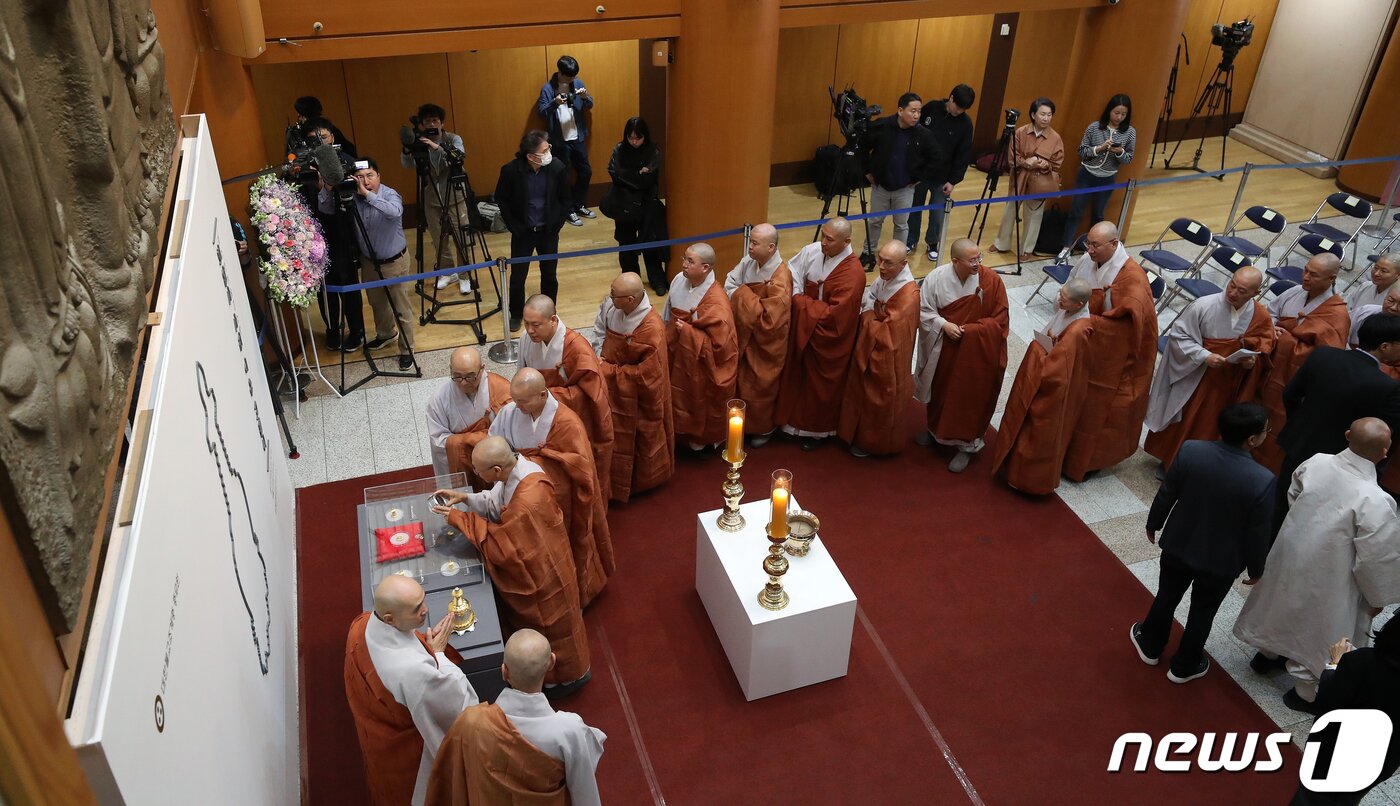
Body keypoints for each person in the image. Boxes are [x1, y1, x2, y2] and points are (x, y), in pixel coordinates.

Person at [1234, 418, 1400, 712]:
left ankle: (1266, 655)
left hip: (1294, 551)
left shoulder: (1317, 462)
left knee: (1280, 601)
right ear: (1385, 452)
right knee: (1320, 627)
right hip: (1334, 573)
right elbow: (1376, 557)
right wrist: (1377, 597)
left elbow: (1293, 496)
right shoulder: (1376, 500)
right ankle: (1304, 692)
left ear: (1347, 435)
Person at [432, 437, 592, 696]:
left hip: (541, 574)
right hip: (545, 560)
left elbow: (507, 548)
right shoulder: (518, 469)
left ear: (496, 470)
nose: (476, 473)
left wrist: (461, 519)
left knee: (550, 629)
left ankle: (561, 679)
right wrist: (463, 497)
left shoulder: (529, 496)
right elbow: (497, 502)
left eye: (477, 470)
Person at [1129, 403, 1275, 684]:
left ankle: (1149, 644)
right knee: (1203, 612)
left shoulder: (1192, 450)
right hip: (1221, 562)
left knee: (1167, 596)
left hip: (1179, 544)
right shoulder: (1264, 480)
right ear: (1253, 439)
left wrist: (1153, 523)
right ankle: (1185, 665)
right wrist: (1257, 568)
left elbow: (1167, 492)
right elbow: (1258, 533)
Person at [426, 630, 606, 806]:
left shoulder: (472, 722)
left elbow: (451, 778)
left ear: (504, 671)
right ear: (551, 662)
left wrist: (440, 657)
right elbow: (584, 790)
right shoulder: (569, 730)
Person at [344, 574, 479, 806]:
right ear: (390, 619)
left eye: (423, 601)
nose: (426, 610)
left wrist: (425, 644)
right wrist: (437, 654)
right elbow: (457, 706)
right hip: (408, 756)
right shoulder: (411, 670)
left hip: (377, 731)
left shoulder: (361, 624)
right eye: (417, 609)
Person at [489, 369, 613, 607]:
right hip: (520, 492)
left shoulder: (567, 423)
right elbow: (495, 442)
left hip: (559, 495)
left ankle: (573, 593)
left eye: (523, 401)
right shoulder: (509, 412)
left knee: (562, 545)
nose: (518, 406)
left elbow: (580, 465)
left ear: (543, 395)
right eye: (515, 400)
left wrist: (533, 463)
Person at [1270, 314, 1400, 534]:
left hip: (1299, 445)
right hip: (1339, 464)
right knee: (1312, 524)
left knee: (1281, 508)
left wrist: (1300, 423)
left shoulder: (1323, 355)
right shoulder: (1387, 387)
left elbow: (1290, 394)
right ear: (1385, 346)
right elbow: (1386, 433)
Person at [1143, 267, 1274, 470]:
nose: (1232, 293)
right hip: (1197, 375)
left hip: (1229, 381)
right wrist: (1205, 355)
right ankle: (1171, 461)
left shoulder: (1260, 315)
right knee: (1187, 418)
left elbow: (1263, 344)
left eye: (1242, 291)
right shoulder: (1203, 306)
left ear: (1256, 293)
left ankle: (1199, 466)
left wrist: (1251, 362)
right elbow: (1179, 337)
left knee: (1213, 424)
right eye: (1232, 285)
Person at [1062, 221, 1159, 480]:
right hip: (1086, 342)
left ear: (1114, 244)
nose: (1089, 249)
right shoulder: (1086, 260)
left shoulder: (1133, 279)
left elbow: (1132, 328)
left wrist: (1087, 322)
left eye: (1095, 245)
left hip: (1114, 357)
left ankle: (1086, 462)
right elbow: (1071, 287)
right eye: (1087, 243)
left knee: (1100, 412)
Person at [913, 238, 1010, 472]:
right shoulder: (936, 279)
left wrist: (975, 331)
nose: (978, 263)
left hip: (977, 352)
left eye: (979, 258)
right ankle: (935, 430)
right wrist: (943, 324)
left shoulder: (991, 281)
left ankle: (967, 446)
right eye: (972, 260)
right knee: (941, 390)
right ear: (955, 261)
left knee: (970, 398)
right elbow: (924, 310)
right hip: (944, 346)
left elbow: (1001, 319)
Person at [990, 278, 1094, 494]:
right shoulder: (1069, 311)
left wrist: (1038, 350)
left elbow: (1056, 370)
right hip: (1048, 376)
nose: (1059, 301)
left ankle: (1028, 482)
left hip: (1053, 391)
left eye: (1064, 299)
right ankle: (1013, 470)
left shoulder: (1078, 331)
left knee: (1037, 432)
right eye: (1060, 294)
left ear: (1079, 305)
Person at [1253, 252, 1351, 472]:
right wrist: (1272, 328)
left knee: (1278, 427)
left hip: (1297, 386)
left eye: (1314, 275)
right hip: (1270, 371)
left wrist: (1285, 337)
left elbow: (1327, 359)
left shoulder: (1338, 315)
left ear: (1332, 279)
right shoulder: (1294, 292)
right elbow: (1269, 314)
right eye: (1306, 270)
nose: (1306, 277)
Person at [775, 217, 866, 450]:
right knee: (799, 375)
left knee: (821, 384)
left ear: (846, 242)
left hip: (829, 338)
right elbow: (792, 270)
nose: (823, 242)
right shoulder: (813, 250)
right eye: (823, 235)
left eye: (829, 239)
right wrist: (796, 292)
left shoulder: (853, 273)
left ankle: (817, 430)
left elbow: (834, 316)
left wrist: (799, 302)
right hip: (807, 326)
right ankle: (792, 422)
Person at [319, 158, 417, 371]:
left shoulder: (389, 194)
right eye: (360, 177)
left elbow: (395, 212)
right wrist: (328, 186)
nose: (365, 181)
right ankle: (386, 334)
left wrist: (368, 195)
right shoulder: (350, 195)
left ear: (379, 176)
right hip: (369, 262)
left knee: (401, 308)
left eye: (370, 176)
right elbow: (325, 208)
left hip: (394, 261)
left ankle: (407, 349)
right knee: (377, 303)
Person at [1290, 620, 1400, 806]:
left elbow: (1327, 703)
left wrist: (1335, 664)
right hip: (1377, 765)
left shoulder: (1363, 662)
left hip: (1331, 756)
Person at [518, 294, 614, 494]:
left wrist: (548, 396)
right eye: (526, 324)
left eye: (535, 325)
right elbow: (522, 375)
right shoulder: (525, 339)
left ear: (553, 320)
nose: (529, 330)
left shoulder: (576, 347)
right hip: (537, 415)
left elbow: (593, 394)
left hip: (569, 419)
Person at [595, 272, 674, 501]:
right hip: (613, 389)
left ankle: (640, 482)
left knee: (641, 437)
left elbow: (647, 376)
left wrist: (608, 371)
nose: (609, 298)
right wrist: (600, 354)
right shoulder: (613, 308)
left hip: (638, 398)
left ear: (630, 300)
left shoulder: (651, 328)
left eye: (614, 294)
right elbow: (600, 329)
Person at [838, 240, 919, 457]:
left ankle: (876, 443)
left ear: (903, 264)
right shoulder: (886, 278)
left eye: (888, 263)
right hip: (871, 347)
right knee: (862, 391)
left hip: (888, 357)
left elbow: (890, 335)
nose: (881, 266)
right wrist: (874, 314)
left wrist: (869, 317)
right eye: (879, 259)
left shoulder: (908, 296)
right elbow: (870, 298)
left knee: (880, 397)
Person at [495, 130, 573, 332]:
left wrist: (556, 225)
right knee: (518, 276)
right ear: (530, 156)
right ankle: (517, 313)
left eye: (548, 148)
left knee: (549, 274)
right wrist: (514, 227)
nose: (548, 152)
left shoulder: (557, 168)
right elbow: (501, 199)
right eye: (544, 150)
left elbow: (566, 199)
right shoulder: (511, 171)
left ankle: (549, 311)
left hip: (548, 231)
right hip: (523, 232)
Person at [664, 242, 739, 451]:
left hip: (701, 361)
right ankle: (679, 433)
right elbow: (668, 314)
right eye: (684, 259)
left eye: (690, 261)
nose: (684, 264)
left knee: (699, 399)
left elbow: (721, 345)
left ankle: (703, 442)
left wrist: (688, 333)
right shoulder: (679, 280)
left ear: (705, 268)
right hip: (677, 350)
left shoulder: (716, 302)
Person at [724, 223, 792, 447]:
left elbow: (768, 319)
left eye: (754, 243)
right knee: (743, 382)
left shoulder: (781, 277)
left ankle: (763, 427)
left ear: (771, 247)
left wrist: (744, 293)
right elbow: (729, 282)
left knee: (762, 383)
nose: (749, 247)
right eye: (750, 241)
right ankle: (744, 423)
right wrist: (750, 297)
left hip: (767, 343)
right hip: (745, 334)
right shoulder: (748, 262)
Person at [303, 118, 364, 352]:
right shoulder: (305, 168)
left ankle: (356, 330)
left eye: (324, 137)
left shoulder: (347, 163)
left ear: (333, 137)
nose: (320, 142)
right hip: (315, 238)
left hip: (343, 235)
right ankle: (333, 329)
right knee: (325, 288)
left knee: (349, 285)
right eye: (313, 140)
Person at [399, 103, 472, 296]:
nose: (432, 124)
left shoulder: (453, 139)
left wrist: (436, 147)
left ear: (441, 122)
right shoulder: (420, 142)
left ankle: (465, 276)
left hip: (455, 196)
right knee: (439, 238)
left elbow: (458, 157)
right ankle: (448, 272)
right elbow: (407, 165)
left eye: (435, 120)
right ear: (422, 125)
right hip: (431, 198)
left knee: (462, 238)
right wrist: (408, 148)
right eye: (427, 121)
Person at [860, 92, 940, 264]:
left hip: (905, 188)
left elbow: (935, 158)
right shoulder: (882, 126)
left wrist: (919, 178)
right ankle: (868, 252)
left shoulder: (923, 134)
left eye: (919, 111)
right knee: (875, 221)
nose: (917, 115)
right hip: (881, 186)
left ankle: (898, 256)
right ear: (900, 110)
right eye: (913, 111)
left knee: (902, 224)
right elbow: (862, 148)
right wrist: (867, 172)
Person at [1060, 94, 1136, 255]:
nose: (1119, 117)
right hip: (1086, 175)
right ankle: (1066, 247)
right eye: (1116, 113)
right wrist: (1099, 148)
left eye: (1123, 114)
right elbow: (1081, 151)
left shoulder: (1130, 132)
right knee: (1076, 211)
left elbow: (1128, 159)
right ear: (1109, 111)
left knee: (1098, 214)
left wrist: (1120, 152)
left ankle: (1093, 249)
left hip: (1108, 178)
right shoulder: (1094, 127)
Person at [989, 97, 1063, 261]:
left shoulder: (1055, 138)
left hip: (1040, 181)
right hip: (1020, 177)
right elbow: (1011, 159)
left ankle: (1027, 249)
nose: (1046, 118)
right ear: (1033, 114)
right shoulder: (1020, 132)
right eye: (1042, 114)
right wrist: (1026, 163)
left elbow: (1057, 162)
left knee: (1034, 215)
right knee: (1010, 211)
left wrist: (1045, 165)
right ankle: (1002, 243)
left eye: (1049, 115)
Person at [910, 84, 975, 262]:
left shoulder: (966, 124)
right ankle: (910, 240)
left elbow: (963, 155)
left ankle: (932, 243)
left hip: (943, 177)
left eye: (963, 109)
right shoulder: (931, 108)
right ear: (951, 98)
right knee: (914, 208)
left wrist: (953, 180)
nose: (958, 111)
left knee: (937, 214)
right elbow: (914, 133)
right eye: (957, 106)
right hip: (920, 173)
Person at [425, 346, 510, 477]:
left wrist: (481, 443)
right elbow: (439, 441)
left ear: (482, 369)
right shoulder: (439, 399)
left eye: (470, 377)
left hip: (494, 461)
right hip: (462, 464)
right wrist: (475, 440)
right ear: (450, 370)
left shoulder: (501, 388)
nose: (463, 383)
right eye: (457, 376)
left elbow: (514, 431)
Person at [604, 116, 666, 293]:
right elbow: (614, 174)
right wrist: (638, 175)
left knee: (650, 243)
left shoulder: (652, 150)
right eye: (630, 138)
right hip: (623, 203)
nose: (634, 142)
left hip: (646, 203)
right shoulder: (619, 149)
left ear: (644, 136)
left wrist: (629, 176)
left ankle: (657, 280)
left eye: (638, 138)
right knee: (626, 245)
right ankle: (630, 284)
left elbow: (650, 179)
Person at [537, 54, 595, 225]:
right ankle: (568, 210)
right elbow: (541, 113)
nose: (572, 80)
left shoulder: (578, 83)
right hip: (560, 140)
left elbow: (590, 104)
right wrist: (554, 103)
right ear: (560, 73)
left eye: (574, 77)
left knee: (586, 172)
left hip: (578, 137)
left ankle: (579, 204)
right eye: (569, 77)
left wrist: (585, 98)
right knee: (563, 176)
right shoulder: (548, 88)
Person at [1349, 280, 1400, 348]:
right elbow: (1343, 332)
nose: (1393, 307)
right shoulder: (1366, 312)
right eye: (1390, 301)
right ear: (1386, 296)